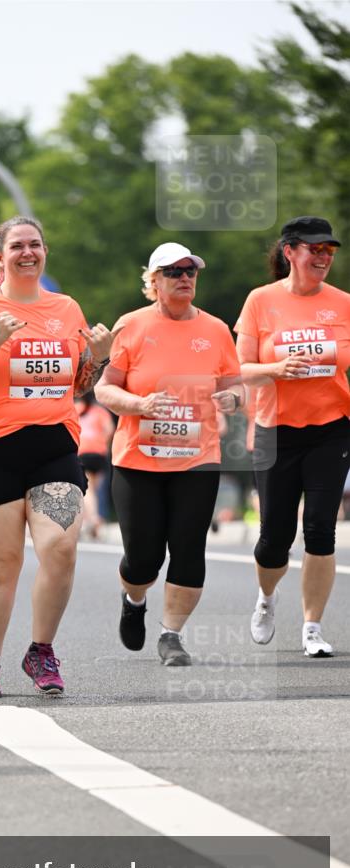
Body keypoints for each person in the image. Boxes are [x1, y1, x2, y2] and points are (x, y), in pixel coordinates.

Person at [0, 214, 114, 698]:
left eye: (35, 244)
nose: (27, 252)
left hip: (52, 446)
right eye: (17, 245)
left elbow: (77, 385)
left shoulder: (66, 308)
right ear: (0, 257)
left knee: (60, 549)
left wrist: (99, 356)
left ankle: (41, 650)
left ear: (44, 252)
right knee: (3, 562)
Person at [95, 242, 243, 665]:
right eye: (174, 272)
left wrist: (233, 399)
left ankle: (171, 635)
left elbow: (235, 386)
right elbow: (105, 388)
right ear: (154, 281)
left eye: (190, 271)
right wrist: (139, 404)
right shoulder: (132, 325)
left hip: (197, 457)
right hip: (138, 458)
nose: (184, 278)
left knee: (189, 548)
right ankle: (134, 598)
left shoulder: (216, 329)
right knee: (143, 560)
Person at [235, 216, 350, 657]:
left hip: (331, 428)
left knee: (320, 528)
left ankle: (312, 628)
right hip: (275, 430)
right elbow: (239, 369)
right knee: (274, 540)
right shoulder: (261, 300)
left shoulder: (342, 303)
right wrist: (275, 369)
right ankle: (266, 598)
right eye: (314, 249)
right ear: (290, 252)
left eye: (328, 250)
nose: (323, 257)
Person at [74, 393, 115, 538]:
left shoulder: (76, 409)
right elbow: (109, 430)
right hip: (99, 454)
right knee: (94, 489)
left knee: (88, 490)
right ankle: (91, 519)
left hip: (83, 452)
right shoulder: (100, 411)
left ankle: (93, 518)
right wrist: (103, 442)